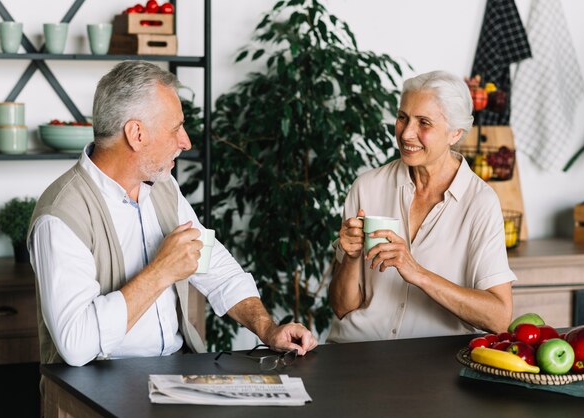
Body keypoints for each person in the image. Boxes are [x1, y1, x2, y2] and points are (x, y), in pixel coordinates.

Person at [28, 60, 317, 366]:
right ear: (136, 134)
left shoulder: (163, 188)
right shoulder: (60, 215)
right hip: (95, 392)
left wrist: (268, 329)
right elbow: (75, 343)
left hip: (174, 372)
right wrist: (161, 271)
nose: (186, 141)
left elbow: (215, 268)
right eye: (176, 128)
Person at [327, 70, 515, 343]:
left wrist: (418, 273)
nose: (406, 133)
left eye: (423, 122)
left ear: (455, 133)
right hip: (357, 352)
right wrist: (351, 258)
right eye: (402, 117)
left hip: (434, 363)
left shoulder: (480, 203)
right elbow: (342, 307)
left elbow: (498, 317)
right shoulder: (367, 187)